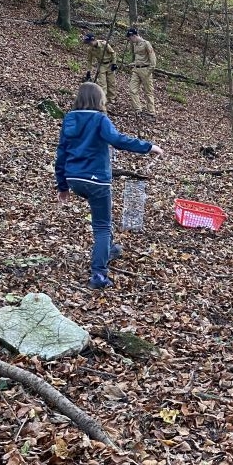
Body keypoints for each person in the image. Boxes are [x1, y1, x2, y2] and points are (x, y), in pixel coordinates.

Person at [55, 83, 163, 290]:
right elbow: (117, 139)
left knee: (103, 219)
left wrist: (63, 186)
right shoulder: (99, 119)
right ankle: (98, 274)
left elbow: (61, 153)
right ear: (98, 100)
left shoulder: (69, 118)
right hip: (97, 180)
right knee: (102, 226)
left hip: (75, 179)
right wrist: (149, 147)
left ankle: (109, 249)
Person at [126, 27, 157, 118]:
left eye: (130, 37)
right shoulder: (135, 44)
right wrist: (133, 64)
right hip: (136, 70)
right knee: (132, 89)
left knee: (148, 91)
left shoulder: (146, 44)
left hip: (145, 70)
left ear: (134, 36)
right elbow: (139, 58)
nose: (130, 40)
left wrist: (149, 71)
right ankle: (138, 109)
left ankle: (151, 112)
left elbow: (153, 59)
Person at [83, 33, 117, 105]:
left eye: (89, 42)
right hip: (101, 65)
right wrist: (88, 71)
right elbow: (89, 60)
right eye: (88, 43)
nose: (89, 44)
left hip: (110, 64)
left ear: (93, 40)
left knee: (111, 82)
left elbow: (113, 53)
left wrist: (114, 63)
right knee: (102, 83)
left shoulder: (104, 44)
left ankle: (111, 98)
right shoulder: (90, 49)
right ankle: (103, 99)